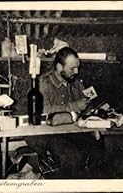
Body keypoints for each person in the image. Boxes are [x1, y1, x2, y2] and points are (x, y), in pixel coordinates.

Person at [25, 47, 103, 179]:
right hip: (49, 133)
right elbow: (42, 111)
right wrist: (74, 106)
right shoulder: (44, 83)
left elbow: (86, 110)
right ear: (59, 67)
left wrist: (92, 115)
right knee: (71, 157)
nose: (76, 72)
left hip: (72, 132)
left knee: (98, 152)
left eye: (77, 68)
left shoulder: (77, 83)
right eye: (72, 68)